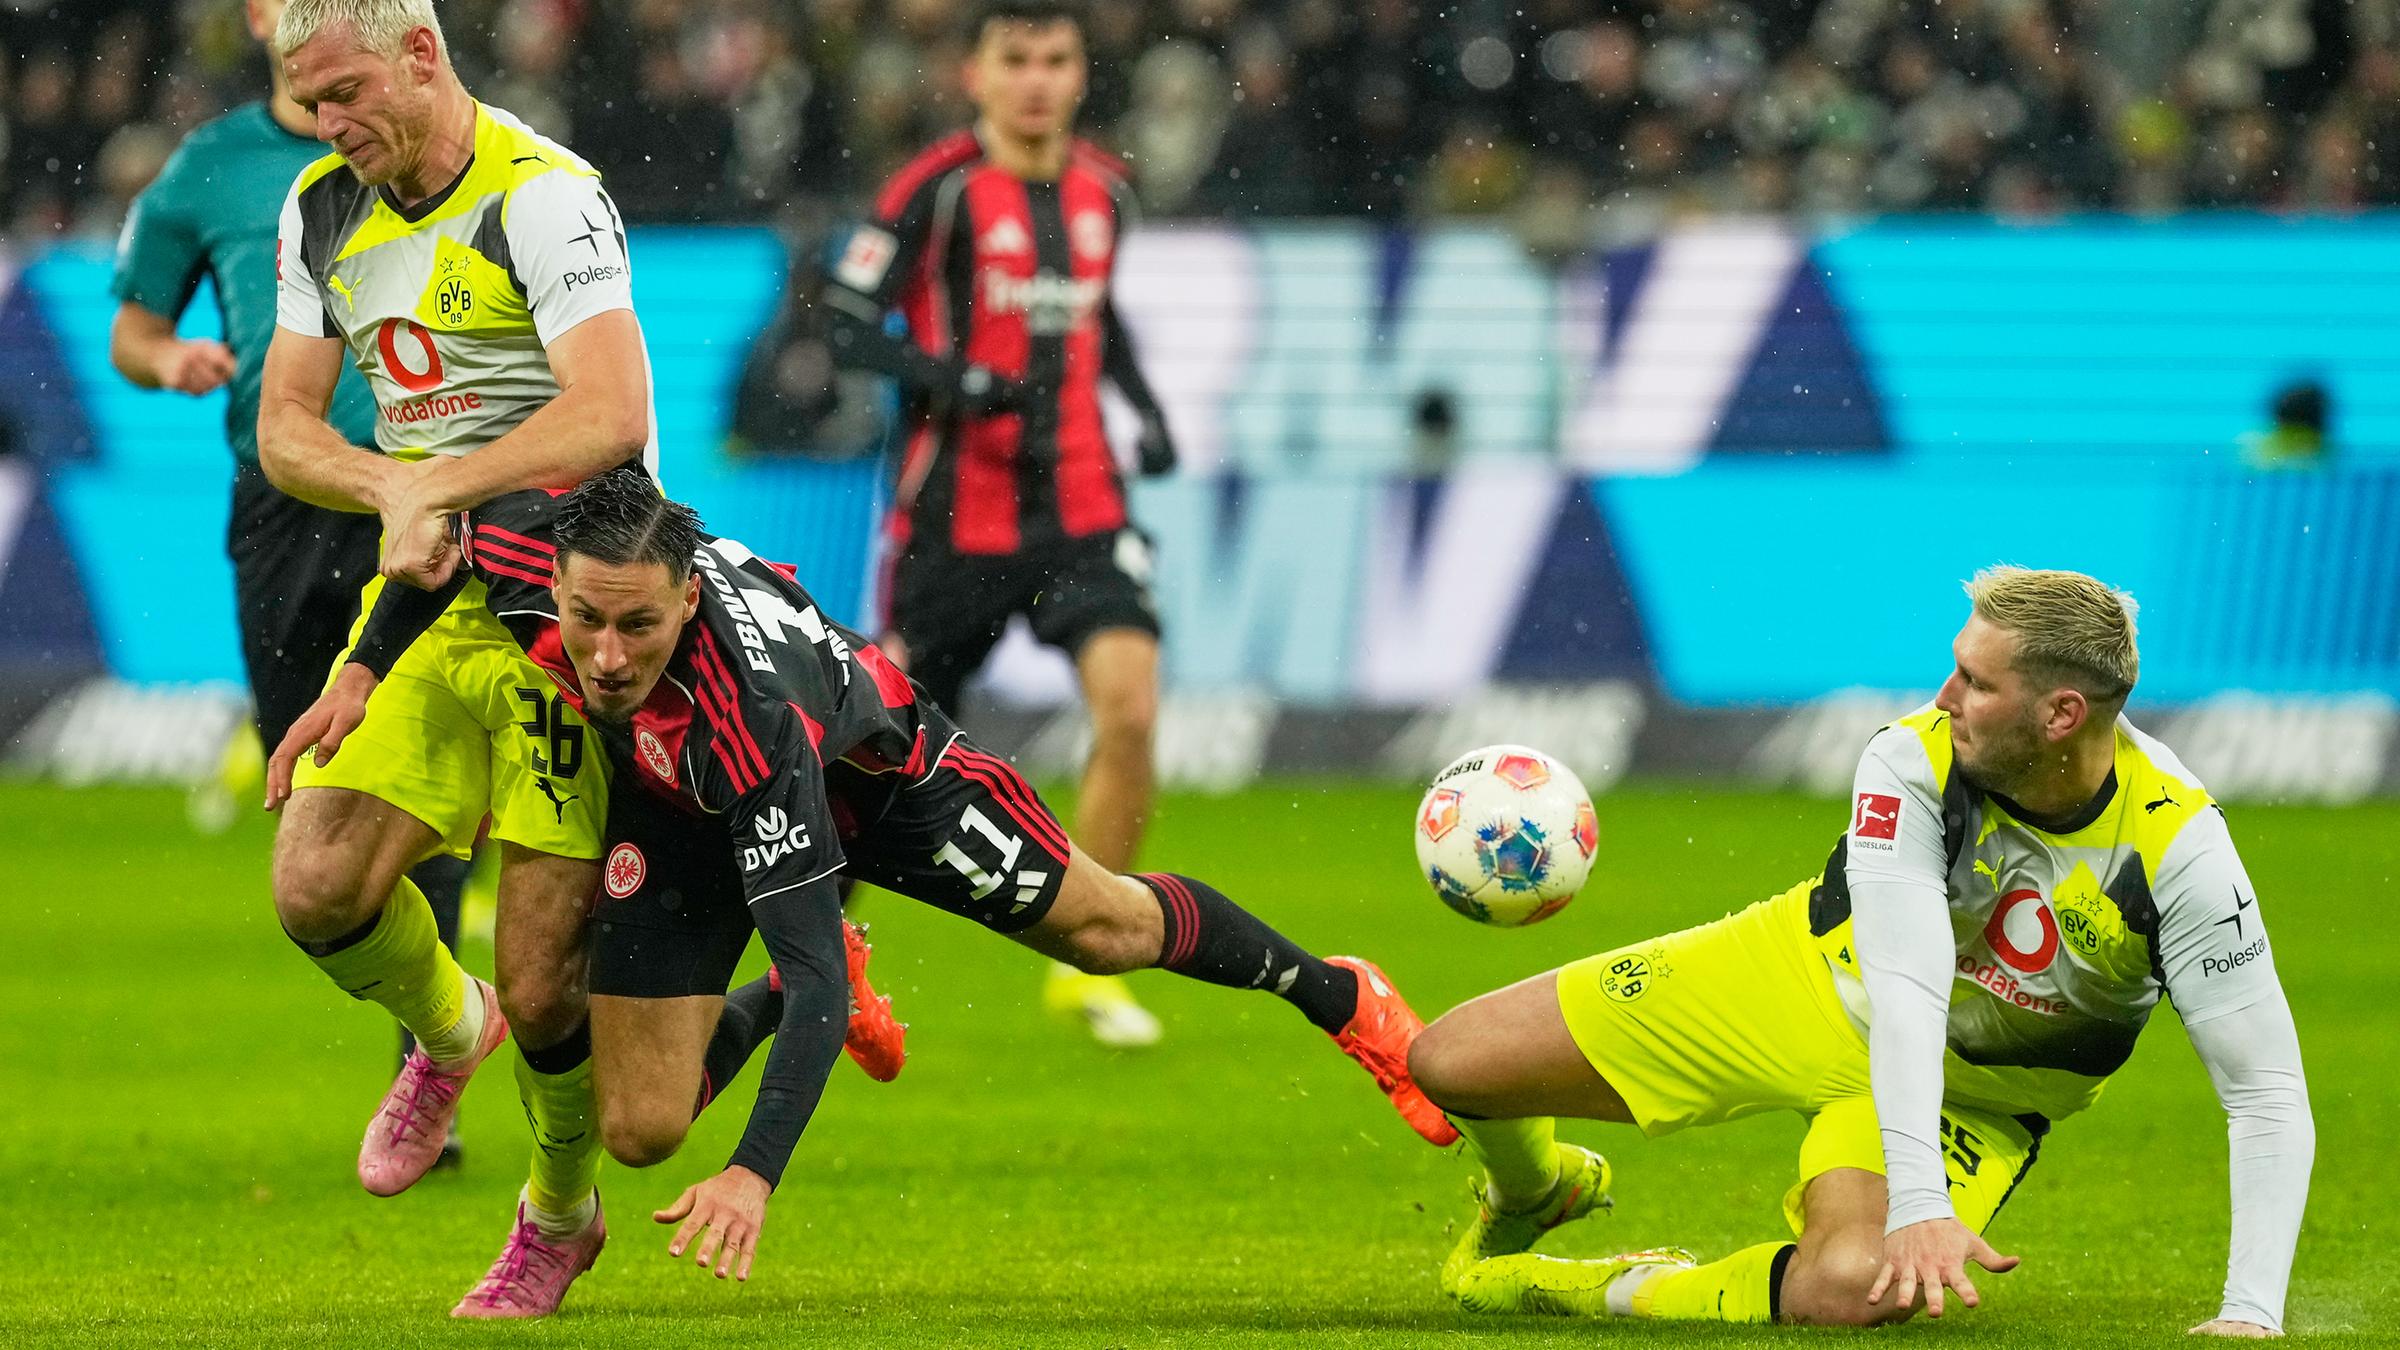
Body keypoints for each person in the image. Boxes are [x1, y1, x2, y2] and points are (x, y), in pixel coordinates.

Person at [270, 465, 1459, 1288]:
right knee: (639, 1131)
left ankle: (1344, 998)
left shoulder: (751, 719)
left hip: (881, 782)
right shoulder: (538, 541)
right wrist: (364, 673)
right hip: (681, 812)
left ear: (688, 599)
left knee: (1104, 929)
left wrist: (754, 1172)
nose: (606, 655)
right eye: (588, 622)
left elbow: (801, 933)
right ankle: (776, 1014)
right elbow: (435, 561)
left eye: (639, 628)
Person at [1406, 567, 2312, 1336]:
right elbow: (1908, 988)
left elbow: (2263, 1087)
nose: (1944, 697)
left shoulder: (2179, 853)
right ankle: (1534, 1189)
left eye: (1976, 683)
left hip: (1980, 1094)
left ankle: (1585, 1285)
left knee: (1848, 1287)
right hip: (1797, 976)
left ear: (2062, 714)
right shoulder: (1909, 761)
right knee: (1448, 1063)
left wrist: (2251, 1312)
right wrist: (1920, 1207)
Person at [256, 0, 644, 1317]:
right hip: (429, 594)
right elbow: (287, 431)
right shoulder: (319, 208)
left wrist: (449, 485)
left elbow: (611, 415)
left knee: (552, 982)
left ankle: (560, 1213)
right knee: (312, 882)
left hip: (568, 608)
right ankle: (443, 1027)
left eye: (349, 93)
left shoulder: (542, 195)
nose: (332, 125)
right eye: (311, 105)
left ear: (424, 52)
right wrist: (391, 489)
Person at [107, 0, 470, 1164]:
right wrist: (173, 360)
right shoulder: (213, 166)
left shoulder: (437, 145)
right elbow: (133, 325)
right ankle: (439, 1018)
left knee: (428, 763)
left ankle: (437, 1056)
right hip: (284, 506)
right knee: (312, 797)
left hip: (424, 491)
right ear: (260, 17)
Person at [822, 0, 1179, 1049]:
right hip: (952, 522)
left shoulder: (1107, 189)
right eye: (1014, 59)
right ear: (976, 74)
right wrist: (953, 379)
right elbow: (842, 322)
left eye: (1055, 60)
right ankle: (824, 963)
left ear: (1079, 74)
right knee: (878, 755)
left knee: (1130, 710)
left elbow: (1095, 314)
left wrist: (1147, 412)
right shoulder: (933, 190)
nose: (1035, 80)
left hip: (1082, 504)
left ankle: (1090, 965)